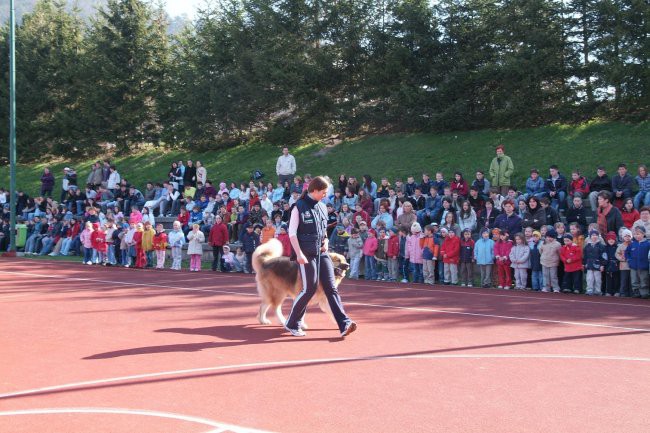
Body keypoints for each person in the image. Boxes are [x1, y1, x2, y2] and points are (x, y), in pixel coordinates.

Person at [284, 176, 357, 337]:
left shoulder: (323, 207)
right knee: (309, 288)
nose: (325, 195)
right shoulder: (299, 207)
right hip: (306, 253)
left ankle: (344, 323)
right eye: (323, 192)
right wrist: (299, 254)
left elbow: (323, 230)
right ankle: (292, 322)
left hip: (322, 253)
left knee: (331, 287)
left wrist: (325, 242)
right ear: (314, 190)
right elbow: (292, 233)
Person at [625, 226, 649, 298]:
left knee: (644, 280)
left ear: (643, 234)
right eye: (635, 234)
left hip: (644, 266)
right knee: (634, 280)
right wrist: (629, 260)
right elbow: (627, 253)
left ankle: (644, 293)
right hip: (633, 266)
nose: (636, 236)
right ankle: (636, 293)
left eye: (638, 234)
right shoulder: (632, 244)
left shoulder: (648, 244)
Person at [583, 230, 605, 296]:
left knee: (597, 278)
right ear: (590, 237)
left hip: (597, 265)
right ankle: (589, 289)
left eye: (595, 235)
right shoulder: (587, 246)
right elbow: (585, 256)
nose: (594, 237)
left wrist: (602, 265)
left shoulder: (601, 246)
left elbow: (604, 256)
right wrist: (584, 263)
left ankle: (597, 290)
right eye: (592, 235)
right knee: (589, 278)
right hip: (589, 265)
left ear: (598, 236)